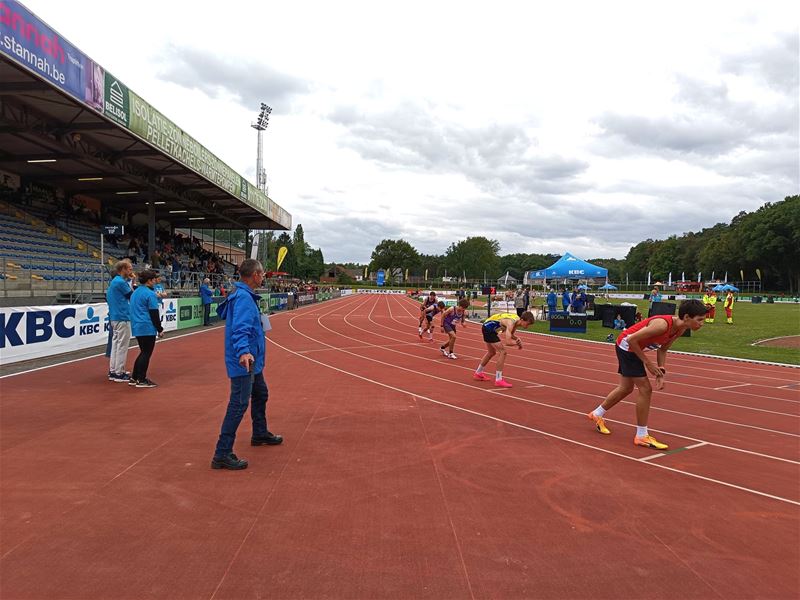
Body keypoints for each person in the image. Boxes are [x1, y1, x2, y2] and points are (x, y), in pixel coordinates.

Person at [587, 299, 707, 450]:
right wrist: (648, 364)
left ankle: (597, 414)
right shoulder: (662, 325)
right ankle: (641, 435)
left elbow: (662, 349)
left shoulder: (680, 329)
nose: (702, 324)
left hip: (633, 348)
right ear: (687, 317)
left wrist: (661, 371)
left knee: (626, 388)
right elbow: (631, 340)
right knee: (645, 389)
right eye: (700, 320)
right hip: (627, 348)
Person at [212, 259, 282, 471]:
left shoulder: (244, 296)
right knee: (238, 404)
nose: (263, 277)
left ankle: (259, 432)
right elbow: (240, 329)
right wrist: (243, 352)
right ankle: (222, 453)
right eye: (262, 274)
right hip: (245, 361)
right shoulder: (243, 298)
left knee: (261, 394)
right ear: (255, 275)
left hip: (253, 361)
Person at [473, 311, 535, 388]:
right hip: (489, 328)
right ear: (522, 319)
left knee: (491, 352)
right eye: (527, 323)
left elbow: (511, 334)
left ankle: (478, 373)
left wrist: (516, 339)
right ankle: (498, 380)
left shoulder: (516, 321)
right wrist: (517, 343)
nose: (527, 326)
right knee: (503, 352)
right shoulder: (511, 323)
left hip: (489, 327)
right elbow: (508, 342)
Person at [129, 269, 164, 388]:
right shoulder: (150, 294)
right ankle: (141, 378)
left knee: (143, 352)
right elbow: (154, 313)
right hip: (147, 325)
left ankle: (134, 377)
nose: (155, 281)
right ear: (149, 281)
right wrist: (159, 328)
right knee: (146, 353)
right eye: (154, 279)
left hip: (137, 325)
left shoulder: (136, 292)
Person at [106, 260, 136, 382]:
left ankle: (113, 370)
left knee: (116, 344)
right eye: (129, 269)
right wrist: (133, 282)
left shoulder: (114, 282)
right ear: (123, 269)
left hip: (115, 316)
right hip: (122, 316)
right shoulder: (120, 282)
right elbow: (132, 296)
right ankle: (119, 372)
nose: (131, 271)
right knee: (122, 345)